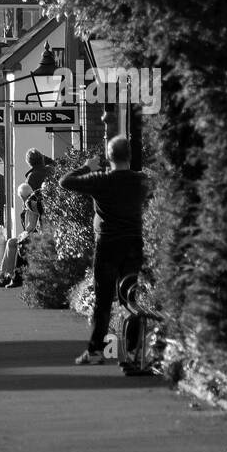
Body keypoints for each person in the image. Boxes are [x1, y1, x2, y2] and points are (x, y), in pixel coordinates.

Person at [61, 135, 151, 365]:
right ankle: (133, 351)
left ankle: (95, 351)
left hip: (108, 243)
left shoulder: (101, 180)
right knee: (129, 296)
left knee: (103, 299)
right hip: (133, 242)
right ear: (129, 156)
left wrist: (86, 167)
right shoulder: (140, 181)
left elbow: (66, 181)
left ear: (109, 157)